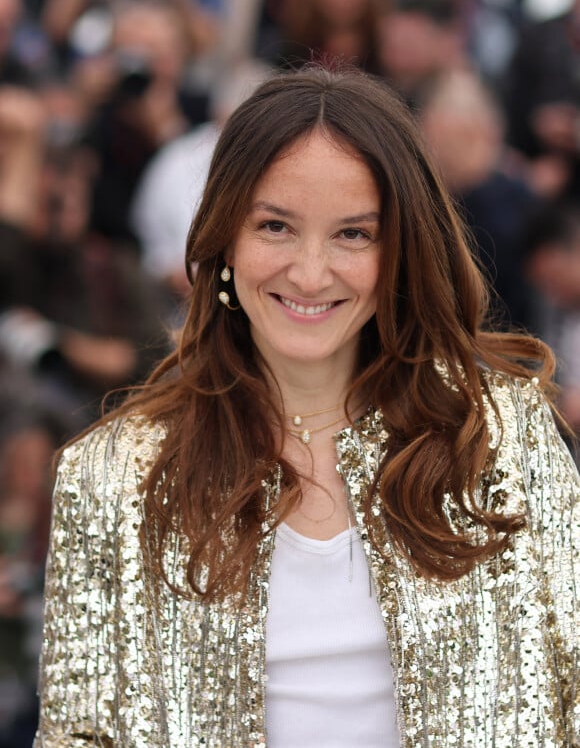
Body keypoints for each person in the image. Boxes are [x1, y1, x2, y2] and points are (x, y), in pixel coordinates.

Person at [34, 67, 579, 747]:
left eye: (353, 234)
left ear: (399, 249)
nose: (311, 272)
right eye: (276, 226)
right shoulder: (112, 475)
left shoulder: (503, 438)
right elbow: (77, 734)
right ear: (224, 237)